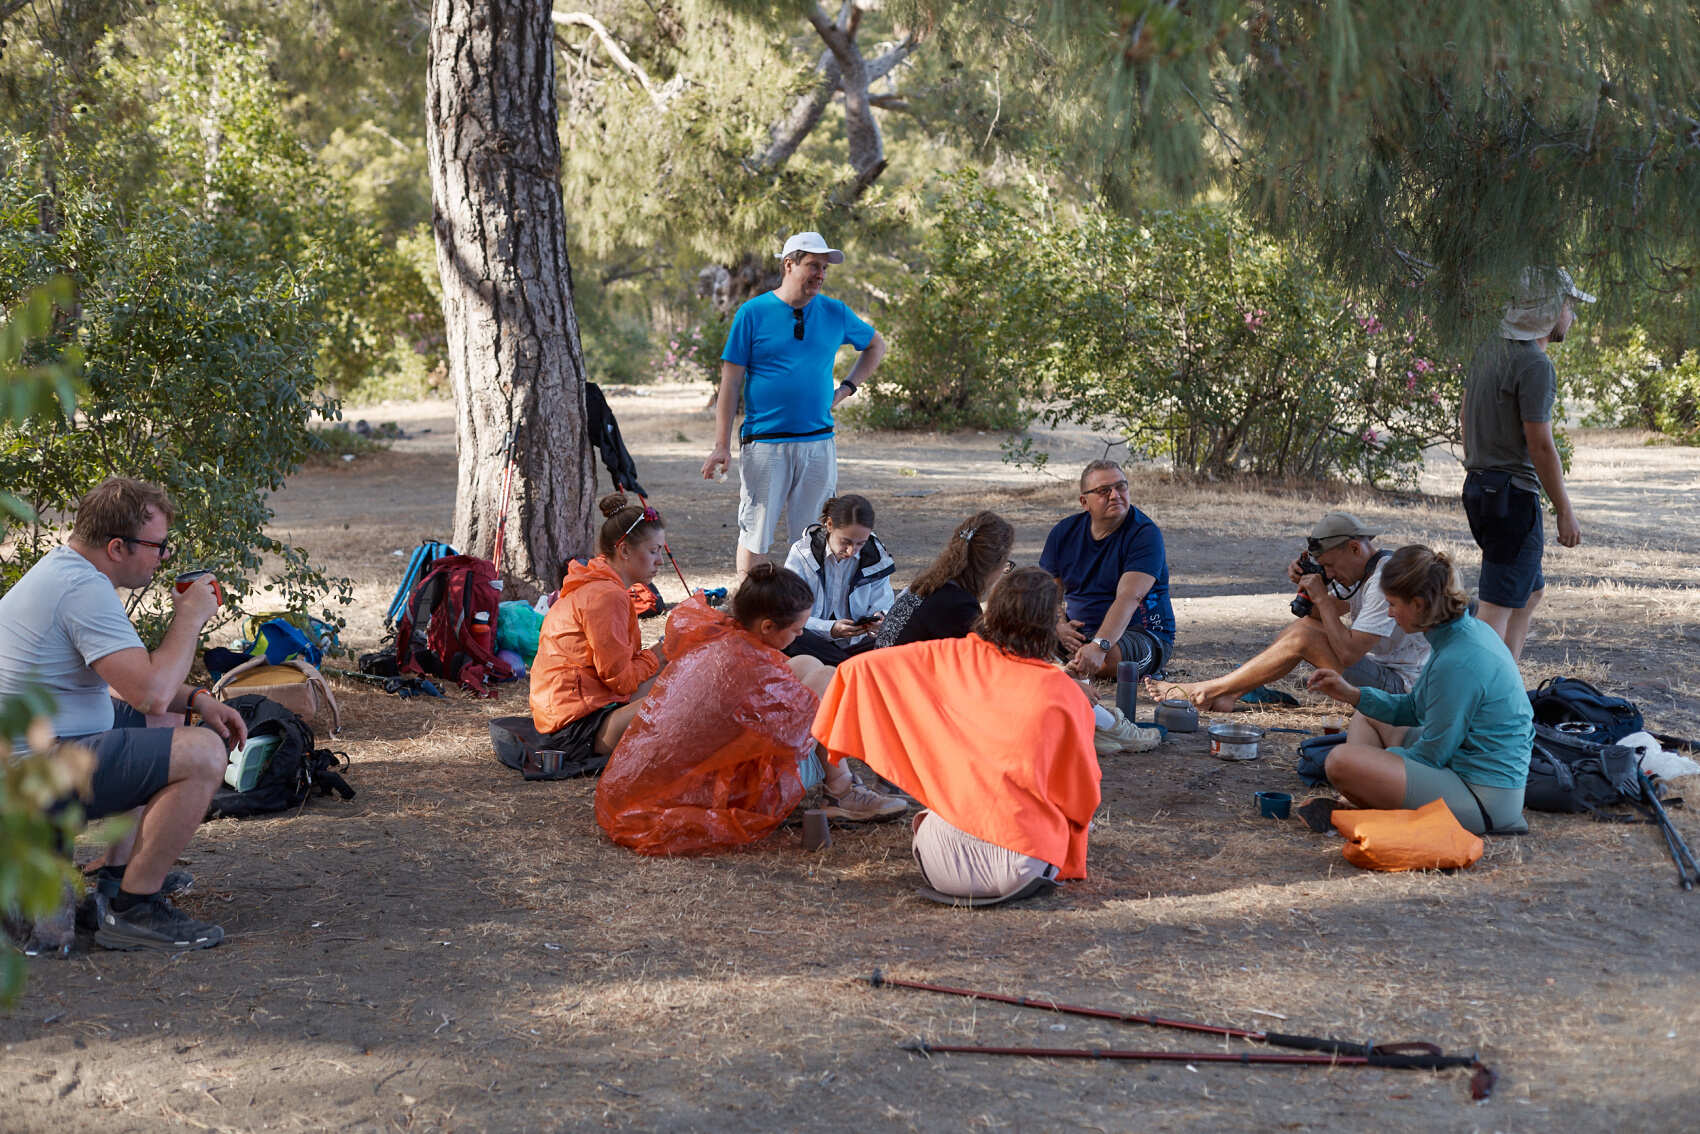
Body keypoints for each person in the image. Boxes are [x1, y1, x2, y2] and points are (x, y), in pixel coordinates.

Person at [0, 476, 246, 952]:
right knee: (203, 754)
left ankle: (116, 882)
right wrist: (190, 617)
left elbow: (130, 681)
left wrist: (196, 699)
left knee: (167, 725)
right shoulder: (81, 590)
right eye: (159, 546)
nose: (164, 558)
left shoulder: (67, 573)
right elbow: (151, 692)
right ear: (118, 547)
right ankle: (135, 909)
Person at [813, 568, 1102, 906]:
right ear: (1048, 624)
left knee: (938, 812)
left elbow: (856, 669)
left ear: (993, 610)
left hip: (940, 862)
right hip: (1025, 866)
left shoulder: (948, 656)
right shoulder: (1063, 692)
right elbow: (1082, 797)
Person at [596, 563, 904, 850]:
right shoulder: (748, 664)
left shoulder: (727, 638)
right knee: (827, 679)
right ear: (768, 626)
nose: (800, 635)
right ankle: (842, 789)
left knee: (808, 663)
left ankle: (841, 786)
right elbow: (789, 728)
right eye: (797, 631)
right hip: (720, 792)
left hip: (672, 780)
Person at [1306, 545, 1533, 836]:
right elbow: (1414, 709)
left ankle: (1366, 804)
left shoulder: (1458, 661)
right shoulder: (1461, 634)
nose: (1389, 613)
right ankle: (1363, 800)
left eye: (1392, 604)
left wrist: (1380, 765)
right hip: (1462, 768)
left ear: (1418, 604)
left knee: (1340, 762)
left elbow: (1432, 754)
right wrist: (1351, 694)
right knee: (1366, 716)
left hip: (1483, 800)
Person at [700, 231, 888, 575]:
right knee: (755, 534)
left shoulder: (835, 312)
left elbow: (876, 345)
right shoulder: (752, 313)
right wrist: (720, 446)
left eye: (824, 268)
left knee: (815, 536)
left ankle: (807, 615)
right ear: (789, 265)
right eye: (813, 265)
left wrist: (846, 388)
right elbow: (730, 383)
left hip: (818, 442)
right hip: (765, 443)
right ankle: (748, 609)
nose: (820, 274)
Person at [1148, 512, 1430, 711]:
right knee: (1302, 631)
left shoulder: (1383, 581)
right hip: (1384, 675)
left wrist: (1321, 595)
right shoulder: (1363, 574)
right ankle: (1228, 692)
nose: (1330, 572)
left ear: (1355, 548)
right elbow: (1316, 619)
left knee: (1304, 636)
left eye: (1330, 565)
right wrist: (1311, 585)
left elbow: (1347, 653)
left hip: (1401, 690)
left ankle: (1208, 691)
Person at [1461, 267, 1594, 660]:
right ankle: (1483, 707)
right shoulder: (1536, 364)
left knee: (1529, 591)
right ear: (1549, 310)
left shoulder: (1488, 350)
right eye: (1568, 305)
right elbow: (1540, 444)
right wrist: (1565, 511)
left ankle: (1506, 690)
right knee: (1494, 611)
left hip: (1482, 489)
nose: (1571, 314)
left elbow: (1467, 413)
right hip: (1511, 497)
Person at [529, 493, 670, 773]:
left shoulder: (603, 586)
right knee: (679, 698)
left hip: (578, 709)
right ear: (625, 550)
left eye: (661, 552)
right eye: (653, 551)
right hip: (573, 730)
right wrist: (657, 655)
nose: (660, 562)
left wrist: (662, 655)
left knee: (678, 673)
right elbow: (621, 680)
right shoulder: (606, 596)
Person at [1040, 459, 1176, 683]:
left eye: (1121, 486)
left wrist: (1099, 645)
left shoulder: (1144, 534)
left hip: (1142, 634)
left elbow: (1130, 596)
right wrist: (1059, 625)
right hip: (1078, 633)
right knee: (1012, 638)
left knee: (1107, 661)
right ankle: (1068, 662)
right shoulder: (1063, 533)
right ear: (1084, 502)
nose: (1115, 495)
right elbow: (1048, 592)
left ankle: (1062, 665)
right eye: (1104, 491)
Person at [781, 494, 895, 666]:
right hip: (812, 640)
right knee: (788, 634)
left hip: (859, 643)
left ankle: (845, 667)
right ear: (829, 525)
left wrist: (879, 620)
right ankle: (851, 669)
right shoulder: (802, 553)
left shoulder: (876, 558)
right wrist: (830, 629)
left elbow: (884, 605)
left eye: (860, 544)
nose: (851, 551)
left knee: (903, 637)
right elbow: (788, 613)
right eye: (845, 542)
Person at [875, 511, 1014, 648]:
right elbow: (969, 663)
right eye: (1006, 564)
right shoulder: (958, 606)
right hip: (899, 669)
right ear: (994, 565)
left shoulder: (929, 586)